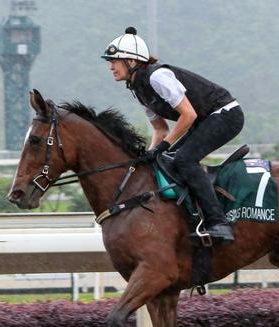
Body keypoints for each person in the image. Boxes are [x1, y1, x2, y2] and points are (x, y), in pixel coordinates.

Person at [101, 27, 244, 242]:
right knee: (163, 160)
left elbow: (188, 115)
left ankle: (218, 223)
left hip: (226, 114)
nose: (111, 66)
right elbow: (160, 130)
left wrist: (163, 147)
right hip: (205, 119)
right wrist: (148, 156)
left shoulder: (157, 77)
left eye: (115, 61)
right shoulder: (138, 89)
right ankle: (191, 215)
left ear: (132, 62)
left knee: (184, 160)